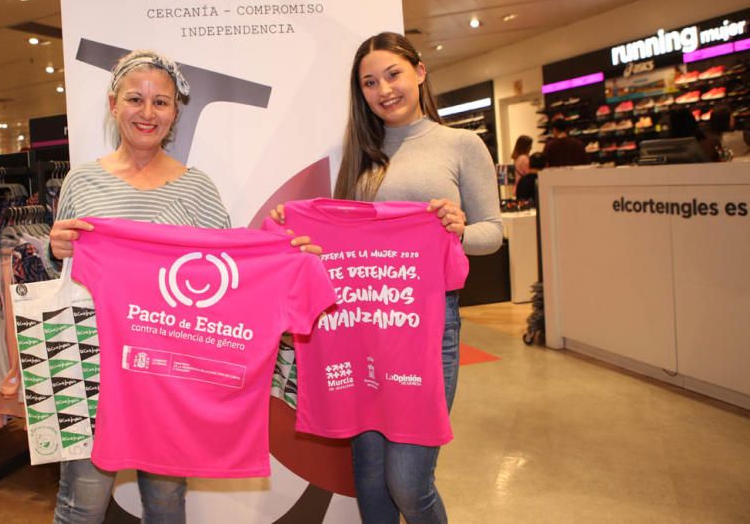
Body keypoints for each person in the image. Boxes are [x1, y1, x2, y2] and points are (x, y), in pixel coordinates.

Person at [46, 49, 317, 524]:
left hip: (169, 375)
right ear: (113, 104)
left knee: (167, 505)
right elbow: (66, 275)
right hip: (95, 366)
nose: (147, 113)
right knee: (80, 506)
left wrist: (284, 258)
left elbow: (231, 278)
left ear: (175, 113)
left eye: (161, 103)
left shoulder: (197, 189)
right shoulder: (82, 181)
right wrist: (57, 247)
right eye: (135, 99)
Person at [273, 32, 502, 523]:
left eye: (393, 74)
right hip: (360, 328)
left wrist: (458, 231)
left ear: (420, 71)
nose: (384, 89)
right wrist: (292, 233)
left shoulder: (461, 144)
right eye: (370, 82)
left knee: (408, 482)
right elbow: (337, 245)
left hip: (427, 327)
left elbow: (494, 234)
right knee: (371, 483)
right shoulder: (359, 156)